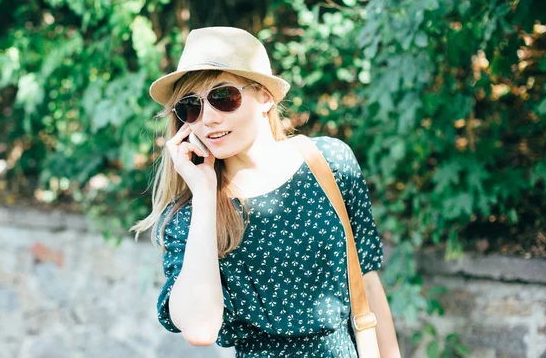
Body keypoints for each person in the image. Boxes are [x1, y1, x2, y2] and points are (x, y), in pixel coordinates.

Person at [131, 26, 400, 357]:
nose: (208, 119)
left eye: (223, 97)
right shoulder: (191, 216)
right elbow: (200, 329)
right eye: (191, 107)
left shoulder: (330, 163)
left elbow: (368, 284)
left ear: (265, 96)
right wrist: (203, 191)